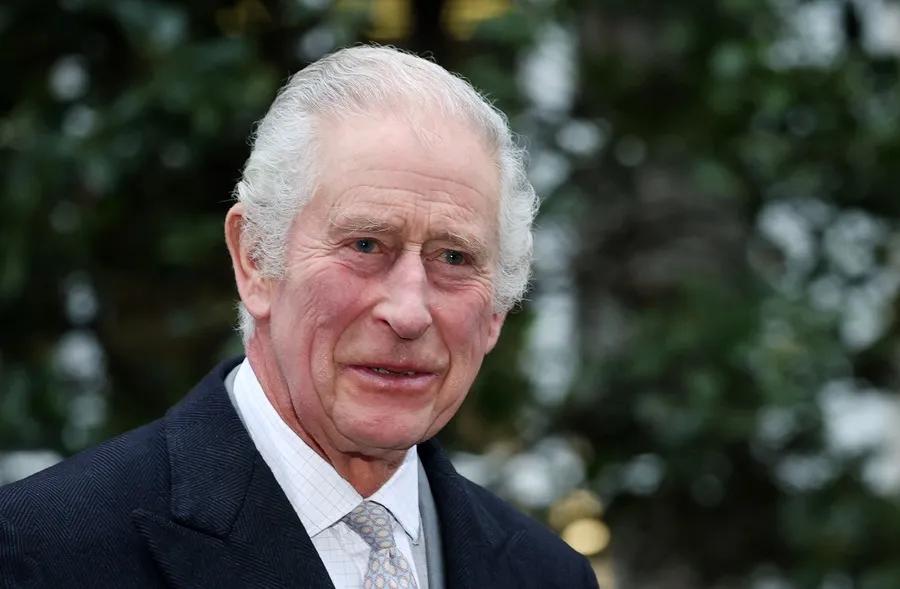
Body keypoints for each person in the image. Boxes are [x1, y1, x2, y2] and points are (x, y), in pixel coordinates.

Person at [0, 46, 598, 588]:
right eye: (366, 245)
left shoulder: (548, 575)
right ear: (256, 259)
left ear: (496, 311)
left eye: (454, 257)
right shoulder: (41, 552)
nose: (409, 312)